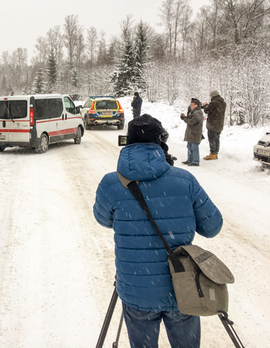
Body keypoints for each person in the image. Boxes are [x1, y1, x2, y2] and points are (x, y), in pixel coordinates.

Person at [94, 114, 223, 348]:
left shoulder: (110, 183)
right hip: (182, 287)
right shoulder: (185, 180)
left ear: (128, 143)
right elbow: (213, 227)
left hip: (136, 291)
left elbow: (102, 219)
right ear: (161, 144)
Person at [202, 90, 226, 160]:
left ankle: (212, 153)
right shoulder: (223, 103)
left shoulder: (213, 103)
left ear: (213, 96)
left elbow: (207, 111)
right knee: (217, 139)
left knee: (211, 138)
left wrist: (205, 106)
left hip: (212, 124)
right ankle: (216, 153)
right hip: (219, 124)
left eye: (211, 96)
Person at [180, 98, 204, 166]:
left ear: (196, 105)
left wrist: (184, 118)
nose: (190, 106)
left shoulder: (198, 112)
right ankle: (190, 160)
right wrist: (185, 117)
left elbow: (191, 121)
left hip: (195, 133)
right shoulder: (194, 112)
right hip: (191, 132)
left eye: (192, 105)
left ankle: (195, 161)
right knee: (189, 146)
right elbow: (190, 119)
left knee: (194, 147)